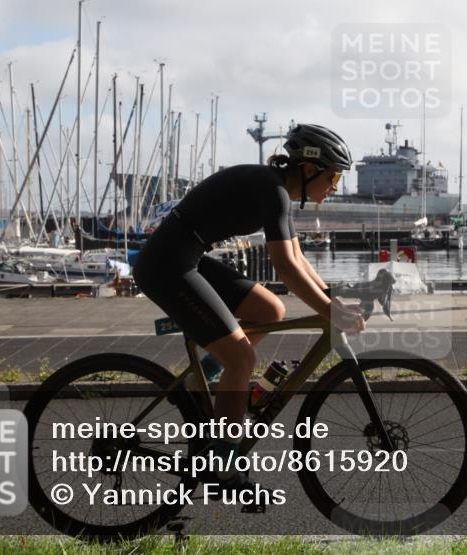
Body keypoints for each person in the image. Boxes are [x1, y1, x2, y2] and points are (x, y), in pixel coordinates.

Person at [132, 124, 366, 491]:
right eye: (334, 175)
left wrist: (329, 298)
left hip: (185, 256)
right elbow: (286, 268)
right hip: (165, 264)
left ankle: (202, 379)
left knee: (270, 310)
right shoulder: (271, 190)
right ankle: (224, 465)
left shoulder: (278, 192)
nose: (336, 185)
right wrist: (328, 311)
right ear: (309, 169)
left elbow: (297, 258)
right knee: (242, 358)